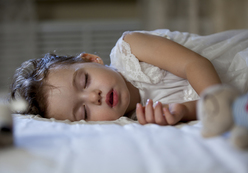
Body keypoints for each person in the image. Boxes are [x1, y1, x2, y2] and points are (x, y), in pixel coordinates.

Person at [10, 29, 248, 125]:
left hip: (237, 63)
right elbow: (201, 110)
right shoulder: (137, 121)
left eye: (85, 81)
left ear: (93, 59)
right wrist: (182, 113)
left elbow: (194, 64)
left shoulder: (130, 48)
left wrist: (218, 103)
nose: (94, 97)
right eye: (83, 111)